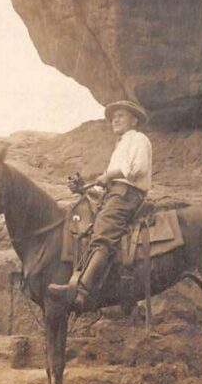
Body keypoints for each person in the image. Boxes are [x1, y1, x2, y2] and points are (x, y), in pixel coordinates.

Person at [49, 99, 152, 310]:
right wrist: (83, 189)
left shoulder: (139, 140)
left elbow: (137, 170)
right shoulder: (120, 146)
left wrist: (108, 175)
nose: (115, 119)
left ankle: (83, 290)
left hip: (128, 195)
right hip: (115, 195)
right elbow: (105, 187)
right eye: (114, 117)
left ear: (134, 121)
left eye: (121, 115)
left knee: (103, 226)